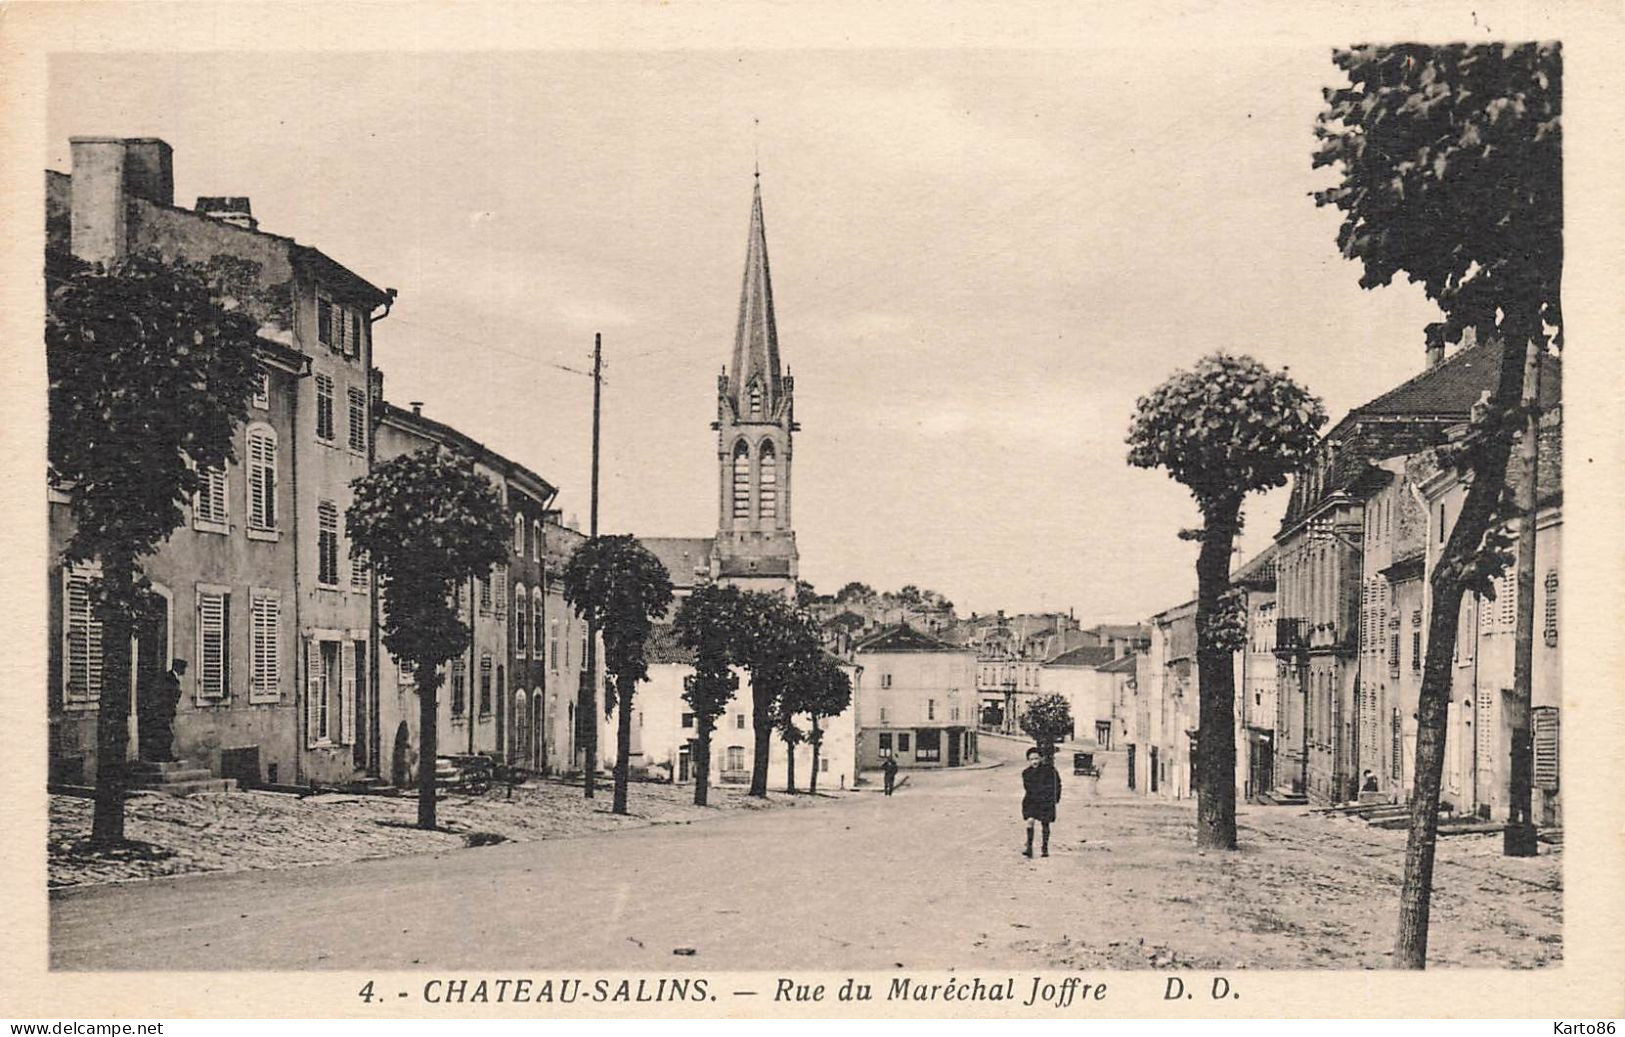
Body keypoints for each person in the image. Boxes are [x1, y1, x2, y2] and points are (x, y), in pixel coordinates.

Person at [139, 658, 186, 763]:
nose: (184, 671)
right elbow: (166, 695)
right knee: (166, 734)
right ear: (178, 668)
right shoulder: (169, 679)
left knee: (166, 734)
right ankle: (164, 756)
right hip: (163, 711)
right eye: (183, 668)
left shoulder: (174, 678)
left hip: (167, 711)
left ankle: (164, 755)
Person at [1021, 746, 1062, 858]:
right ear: (1028, 761)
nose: (1034, 761)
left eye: (1036, 758)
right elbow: (1028, 788)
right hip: (1032, 801)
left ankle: (1045, 848)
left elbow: (1057, 784)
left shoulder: (1049, 770)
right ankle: (1029, 848)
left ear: (1041, 759)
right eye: (1031, 759)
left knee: (1045, 823)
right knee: (1030, 821)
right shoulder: (1026, 773)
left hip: (1045, 801)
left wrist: (1055, 798)